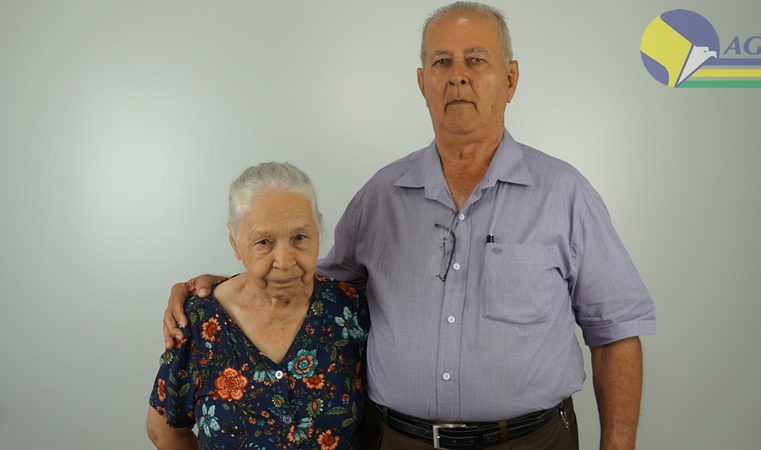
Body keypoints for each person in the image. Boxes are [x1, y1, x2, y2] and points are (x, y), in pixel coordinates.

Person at [163, 3, 656, 449]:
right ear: (422, 82)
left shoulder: (565, 194)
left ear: (510, 78)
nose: (457, 77)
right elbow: (314, 293)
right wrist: (224, 289)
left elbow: (615, 333)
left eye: (476, 60)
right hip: (399, 441)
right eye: (442, 62)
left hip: (531, 440)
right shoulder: (380, 196)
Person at [147, 163, 369, 450]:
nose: (285, 261)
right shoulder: (200, 322)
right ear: (234, 241)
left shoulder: (349, 309)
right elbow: (163, 430)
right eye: (264, 242)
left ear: (319, 228)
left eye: (300, 237)